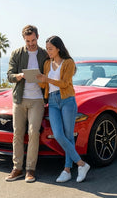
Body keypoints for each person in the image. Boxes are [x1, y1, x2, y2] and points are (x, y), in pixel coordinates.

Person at [36, 36, 90, 183]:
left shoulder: (69, 63)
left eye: (51, 49)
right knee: (59, 134)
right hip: (52, 101)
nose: (48, 51)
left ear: (58, 48)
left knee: (68, 135)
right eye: (47, 48)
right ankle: (81, 164)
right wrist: (37, 80)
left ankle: (67, 170)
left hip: (67, 100)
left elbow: (65, 84)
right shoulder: (47, 63)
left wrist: (46, 79)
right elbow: (45, 86)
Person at [5, 25, 49, 183]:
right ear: (24, 39)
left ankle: (30, 170)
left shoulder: (44, 54)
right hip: (19, 99)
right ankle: (17, 168)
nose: (31, 43)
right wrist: (19, 76)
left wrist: (42, 78)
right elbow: (9, 75)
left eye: (33, 40)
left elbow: (50, 75)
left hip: (37, 100)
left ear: (38, 37)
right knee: (17, 133)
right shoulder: (17, 53)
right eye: (28, 41)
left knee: (33, 133)